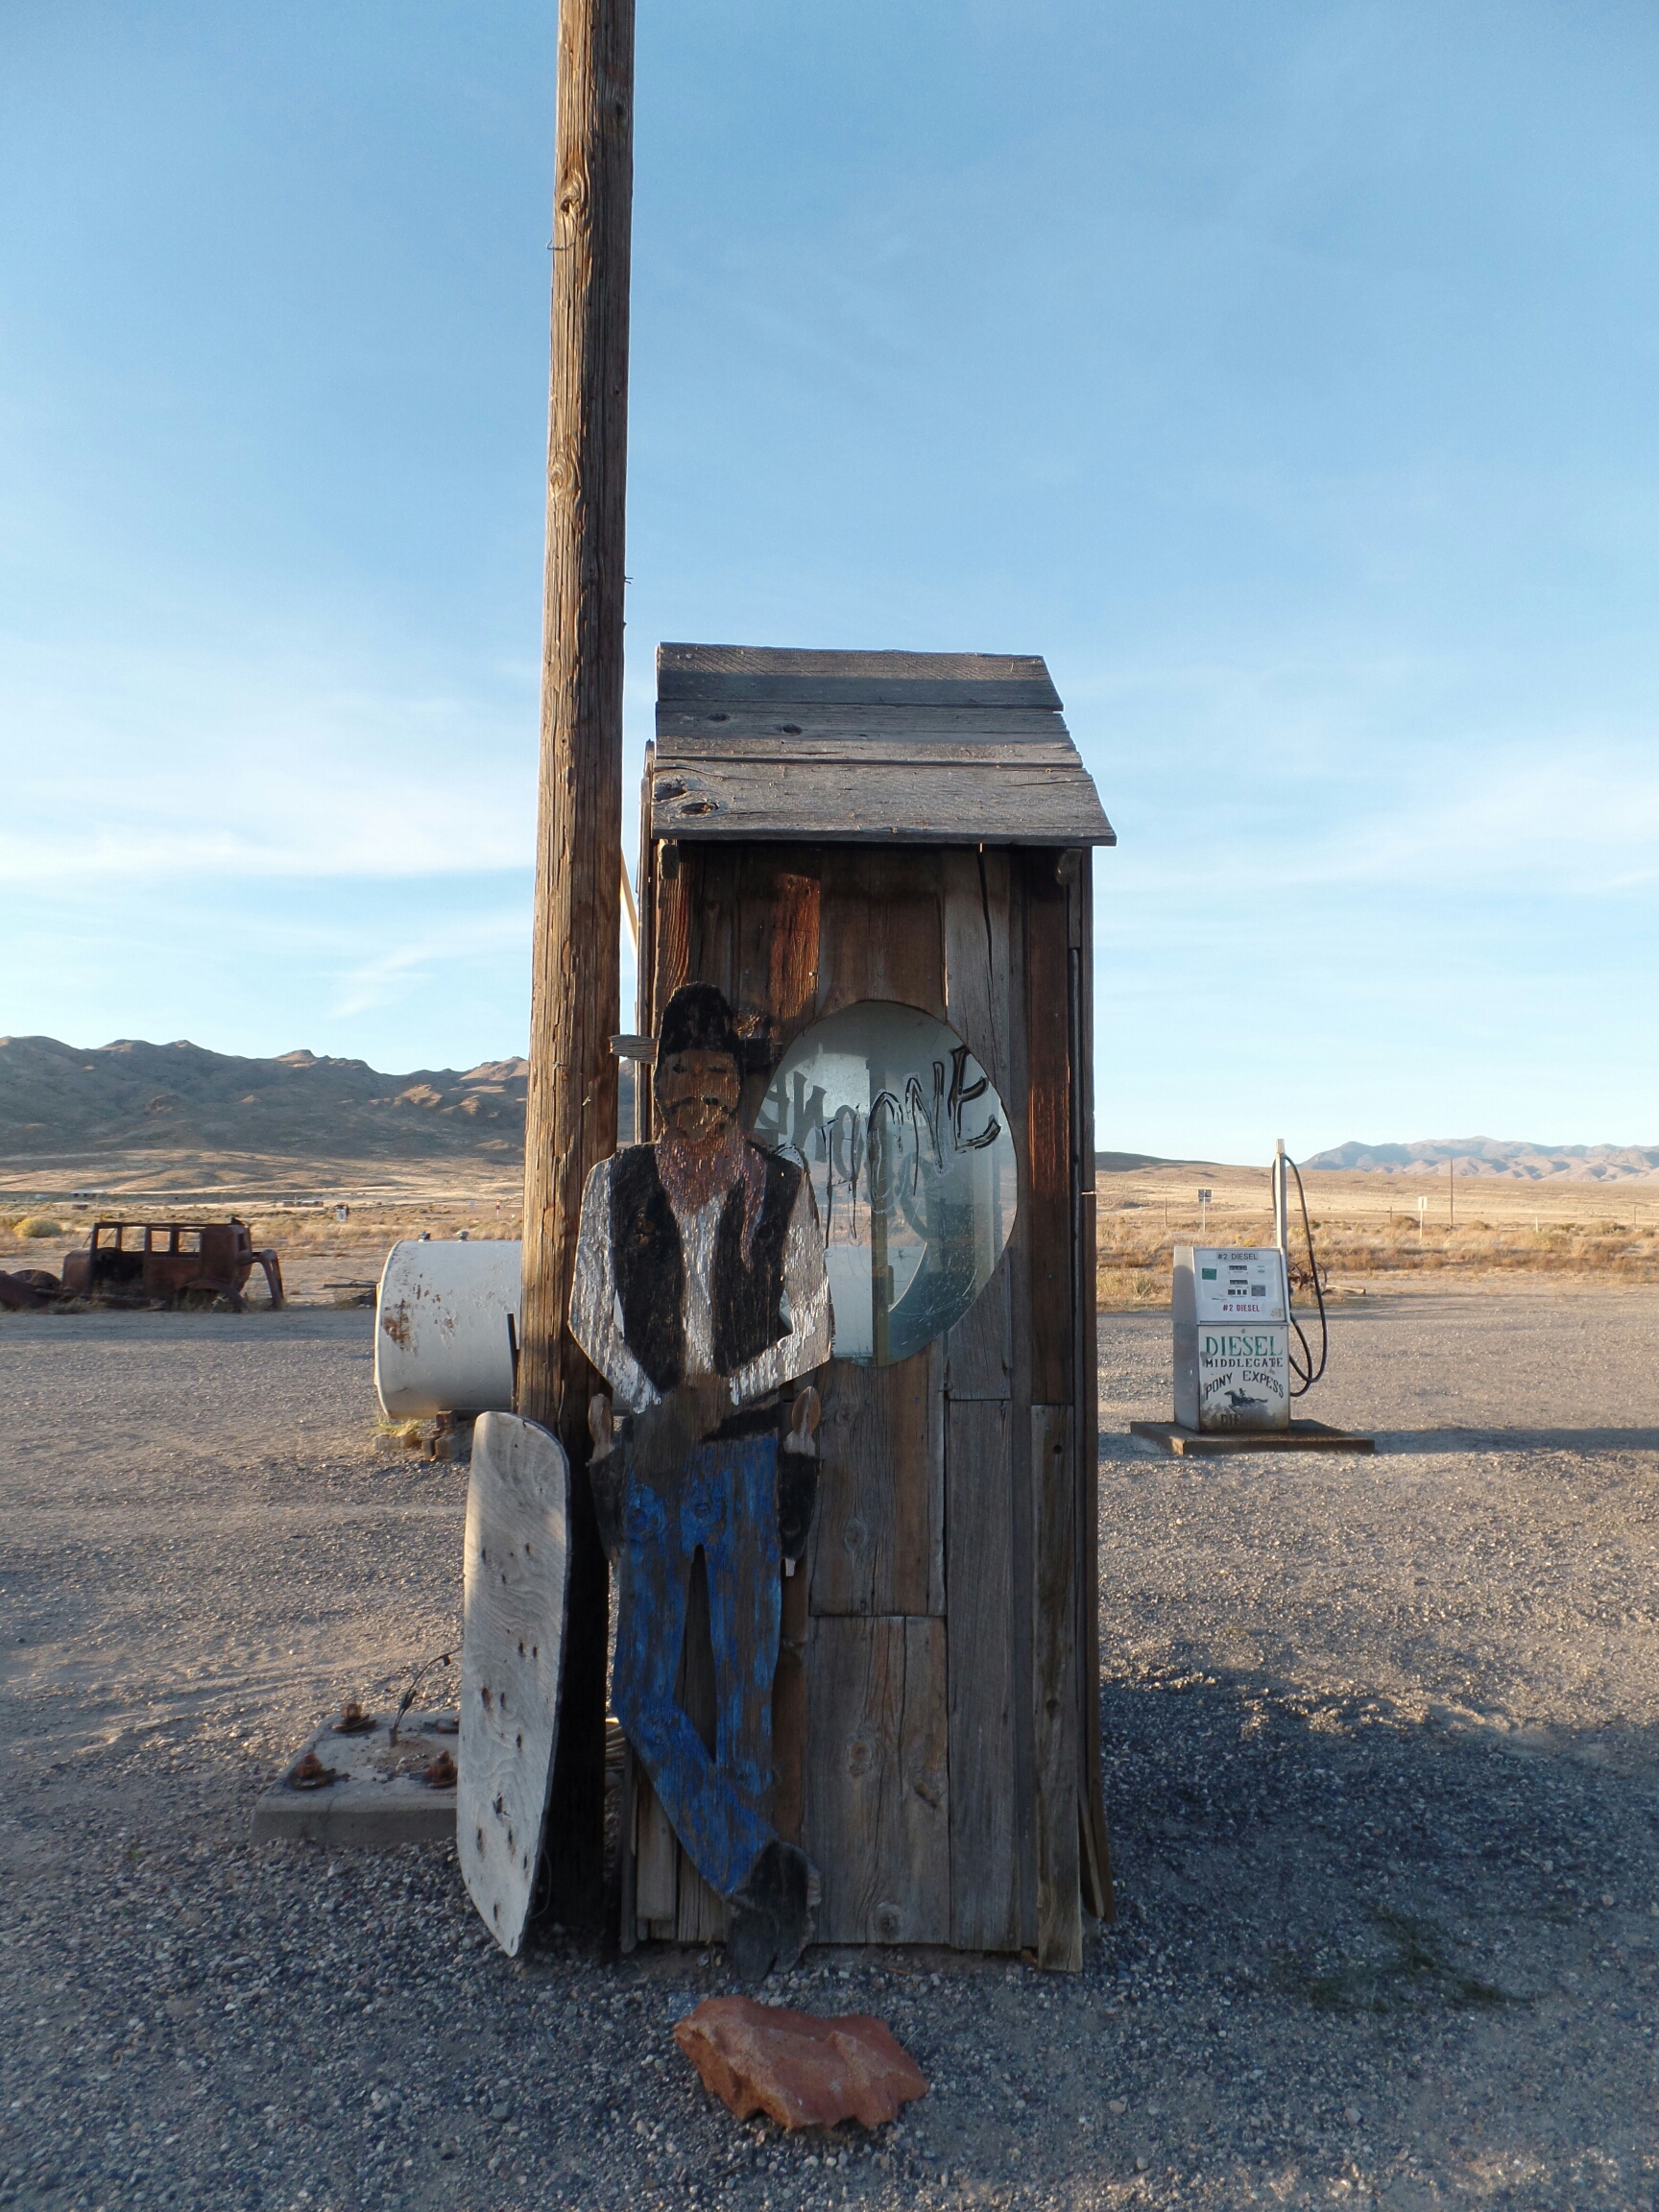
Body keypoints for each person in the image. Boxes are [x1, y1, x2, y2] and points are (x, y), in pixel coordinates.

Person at [568, 981, 831, 1976]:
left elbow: (815, 1327)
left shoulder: (784, 1187)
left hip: (753, 1459)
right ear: (660, 1080)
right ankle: (758, 1867)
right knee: (639, 1687)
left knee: (746, 1692)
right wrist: (655, 1401)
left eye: (717, 1072)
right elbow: (588, 1315)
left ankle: (753, 1922)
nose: (698, 1092)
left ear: (739, 1083)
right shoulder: (614, 1185)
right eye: (680, 1071)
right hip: (656, 1458)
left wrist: (728, 1391)